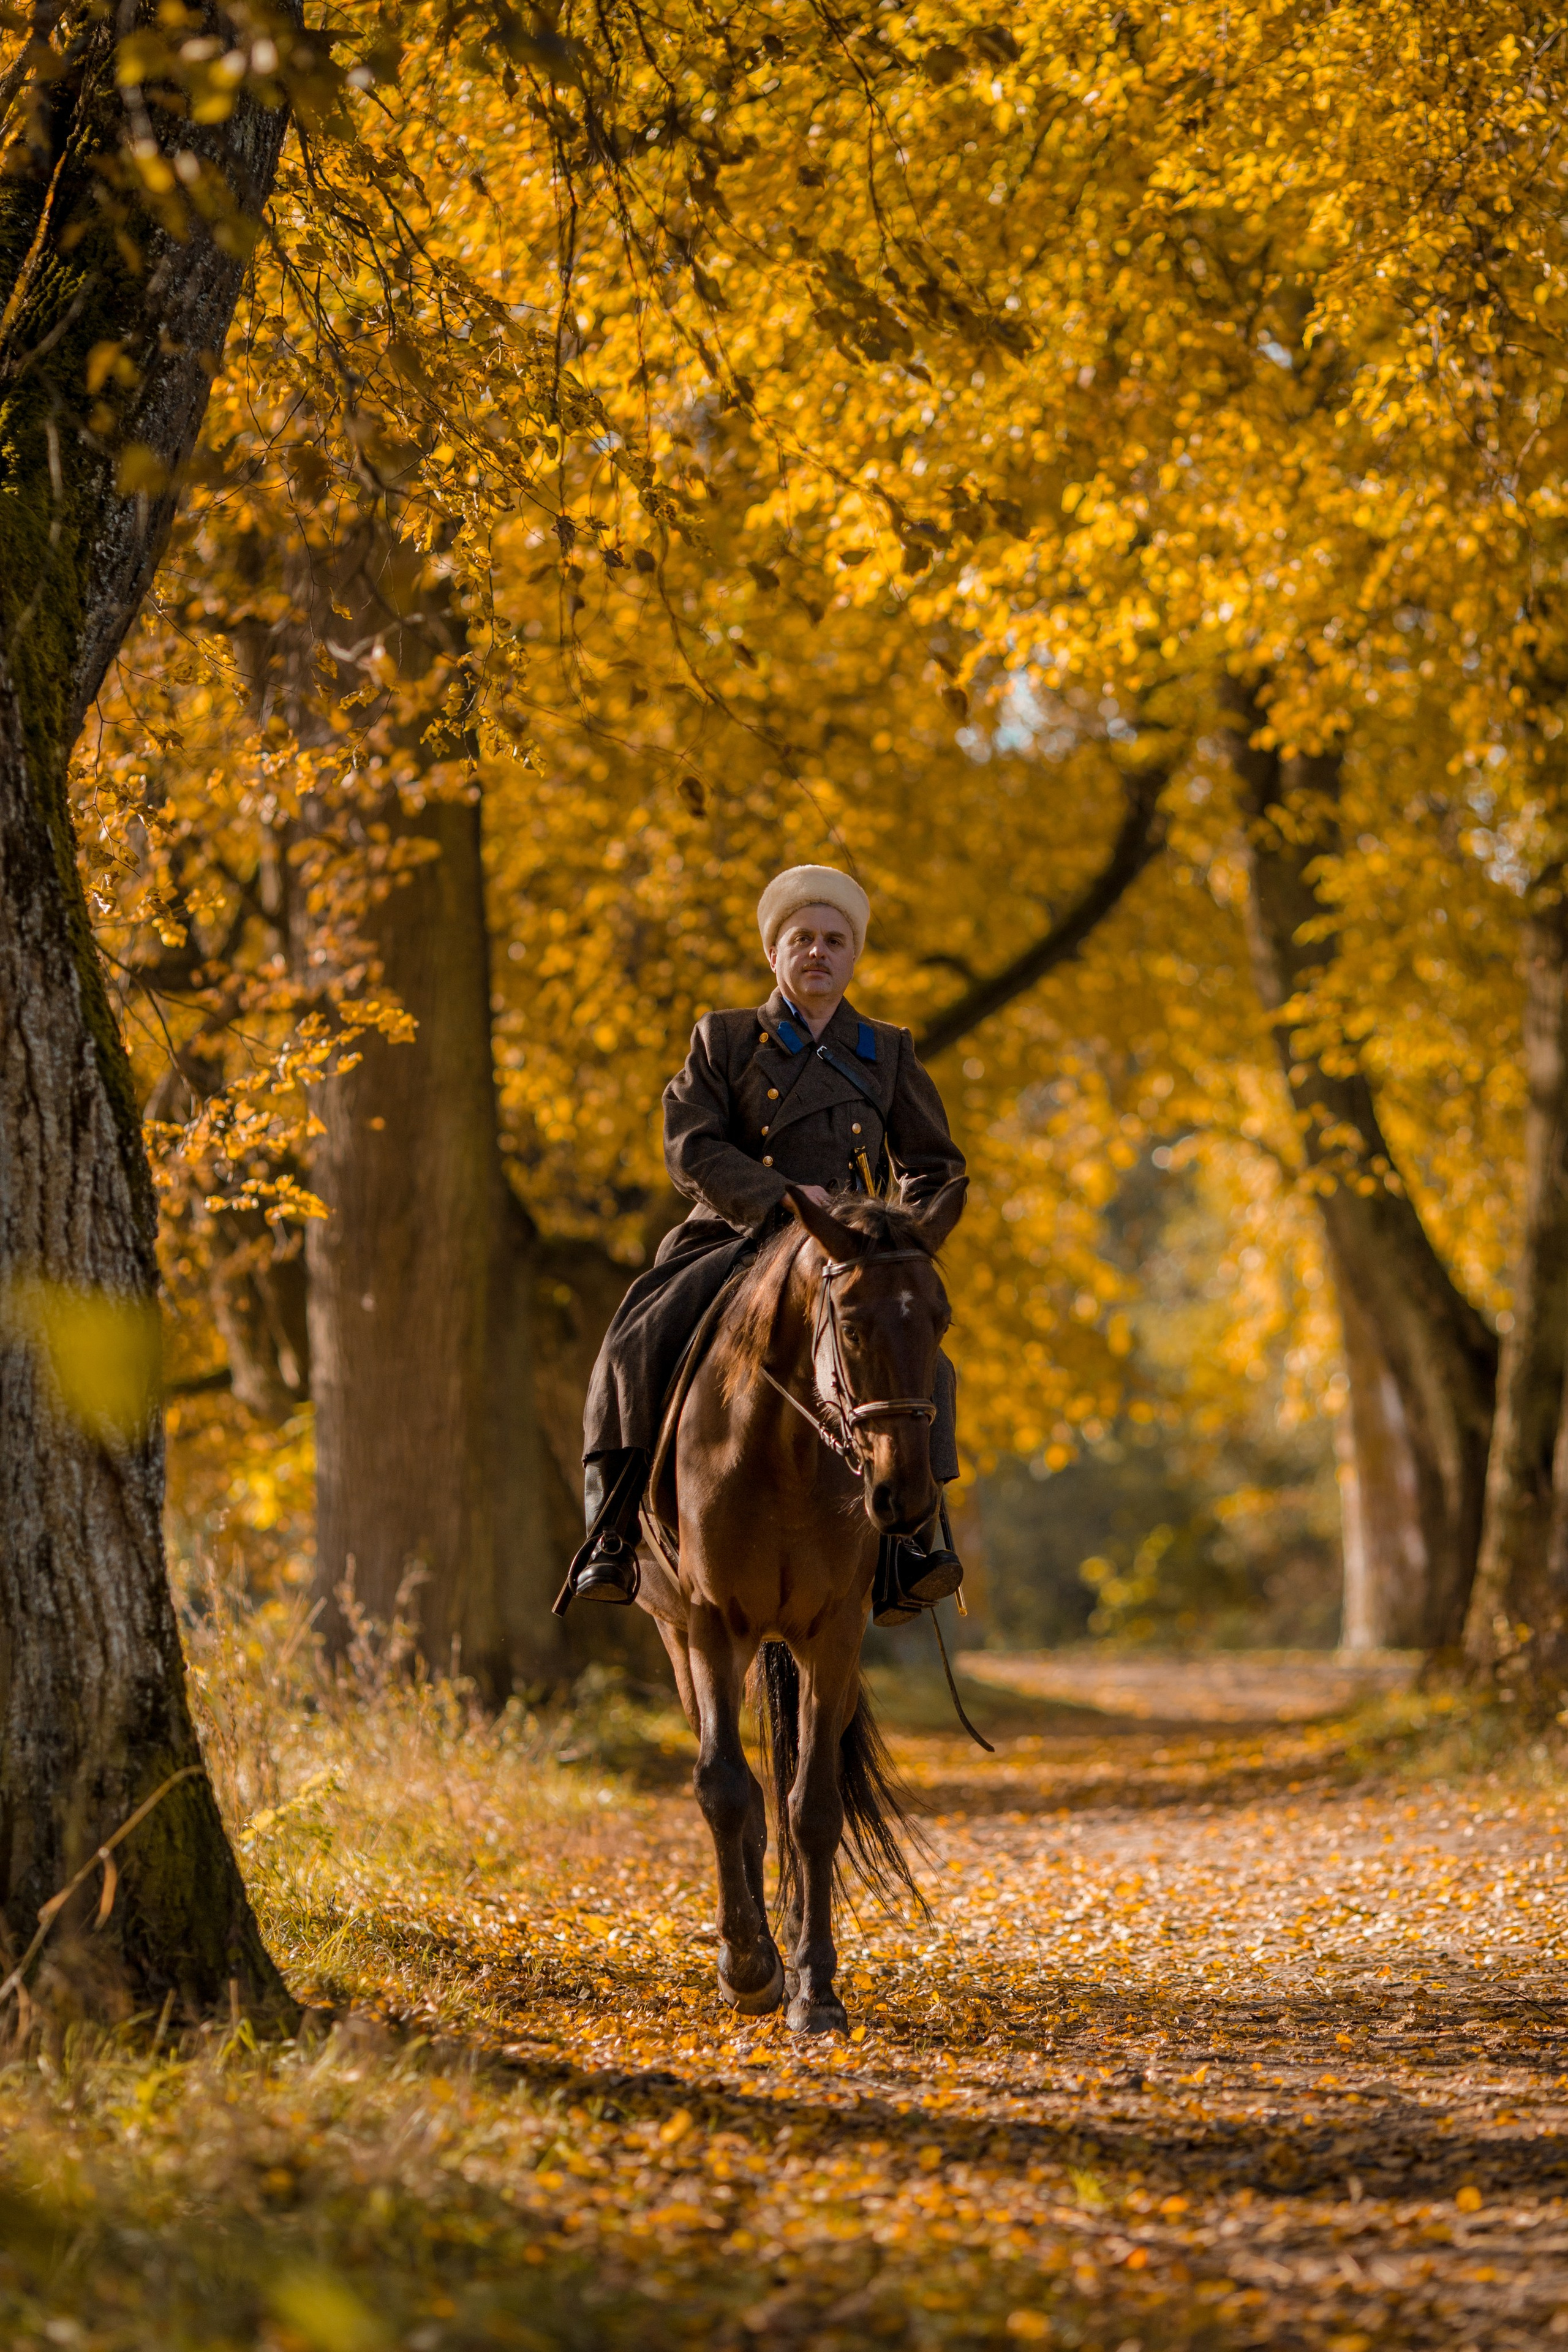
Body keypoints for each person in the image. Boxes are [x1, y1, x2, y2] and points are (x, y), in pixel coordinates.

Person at [560, 863, 967, 1622]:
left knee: (923, 1361)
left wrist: (891, 1237)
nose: (818, 953)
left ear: (854, 958)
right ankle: (611, 1532)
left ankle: (917, 1541)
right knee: (633, 1337)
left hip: (848, 1254)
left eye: (834, 942)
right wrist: (780, 1196)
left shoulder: (887, 1050)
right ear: (775, 954)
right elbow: (691, 1146)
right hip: (734, 1237)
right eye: (802, 939)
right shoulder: (723, 1038)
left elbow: (937, 1169)